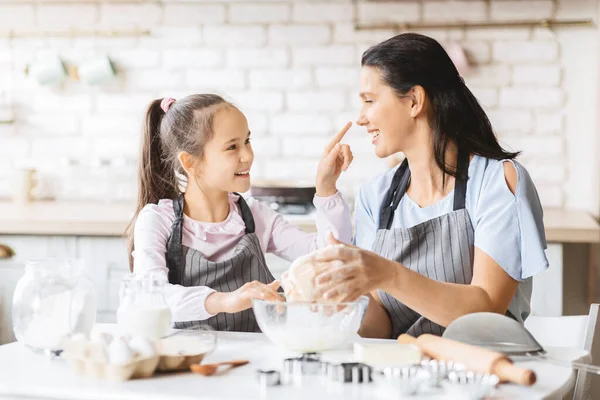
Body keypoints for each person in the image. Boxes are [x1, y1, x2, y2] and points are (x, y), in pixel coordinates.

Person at [310, 33, 549, 339]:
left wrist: (388, 273)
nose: (361, 119)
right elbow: (382, 326)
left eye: (369, 101)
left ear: (414, 101)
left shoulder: (498, 182)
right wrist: (340, 298)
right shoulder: (377, 196)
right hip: (403, 376)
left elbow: (487, 311)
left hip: (487, 373)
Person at [125, 94, 353, 332]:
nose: (248, 155)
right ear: (190, 163)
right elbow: (150, 296)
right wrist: (224, 301)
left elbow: (332, 259)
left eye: (247, 141)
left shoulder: (254, 215)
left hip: (254, 357)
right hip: (186, 357)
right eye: (232, 147)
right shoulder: (158, 220)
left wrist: (326, 187)